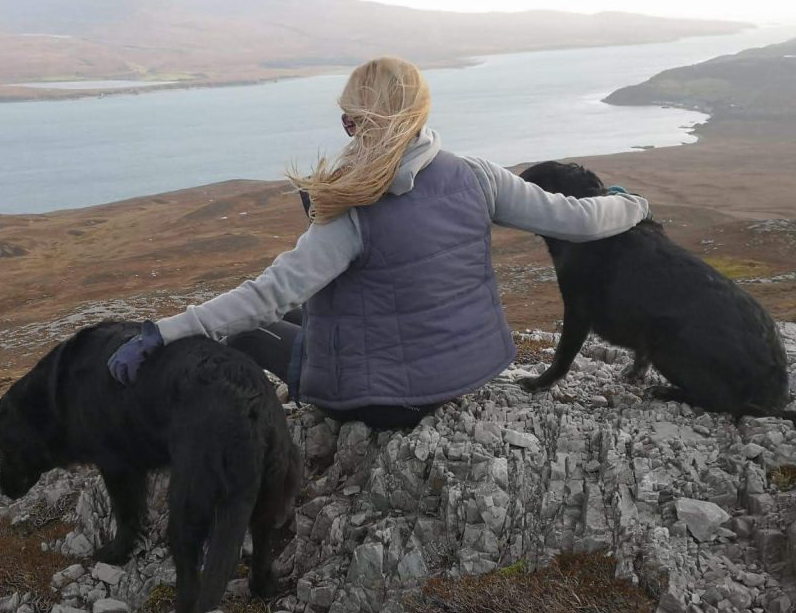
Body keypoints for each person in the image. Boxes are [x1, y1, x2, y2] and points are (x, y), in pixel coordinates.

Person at [108, 57, 650, 431]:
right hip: (466, 373)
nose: (345, 127)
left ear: (361, 123)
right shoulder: (476, 175)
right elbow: (577, 220)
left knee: (245, 328)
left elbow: (265, 295)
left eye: (349, 119)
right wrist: (632, 204)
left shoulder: (355, 213)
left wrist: (161, 332)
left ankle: (210, 432)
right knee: (300, 311)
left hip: (385, 404)